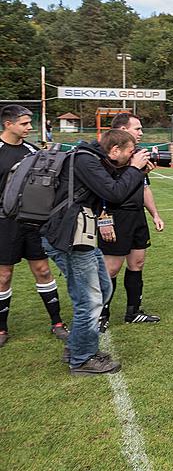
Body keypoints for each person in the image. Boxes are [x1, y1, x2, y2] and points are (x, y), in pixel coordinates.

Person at [42, 129, 150, 375]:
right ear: (114, 151)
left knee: (102, 288)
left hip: (79, 235)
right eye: (130, 152)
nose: (133, 156)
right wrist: (133, 169)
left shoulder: (93, 158)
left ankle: (77, 346)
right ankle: (81, 358)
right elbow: (114, 193)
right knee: (89, 300)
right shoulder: (85, 159)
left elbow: (113, 195)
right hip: (69, 236)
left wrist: (136, 170)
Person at [0, 105, 69, 348]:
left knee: (42, 270)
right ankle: (1, 328)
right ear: (8, 124)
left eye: (30, 123)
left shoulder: (32, 151)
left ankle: (57, 322)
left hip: (32, 223)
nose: (30, 128)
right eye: (25, 123)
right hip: (4, 223)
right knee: (4, 275)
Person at [97, 112, 163, 331]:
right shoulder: (104, 158)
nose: (141, 132)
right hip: (116, 217)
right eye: (137, 128)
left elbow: (144, 188)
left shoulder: (137, 157)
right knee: (112, 268)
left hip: (137, 217)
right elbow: (99, 194)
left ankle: (133, 312)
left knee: (137, 263)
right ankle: (101, 313)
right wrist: (104, 220)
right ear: (123, 130)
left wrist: (154, 214)